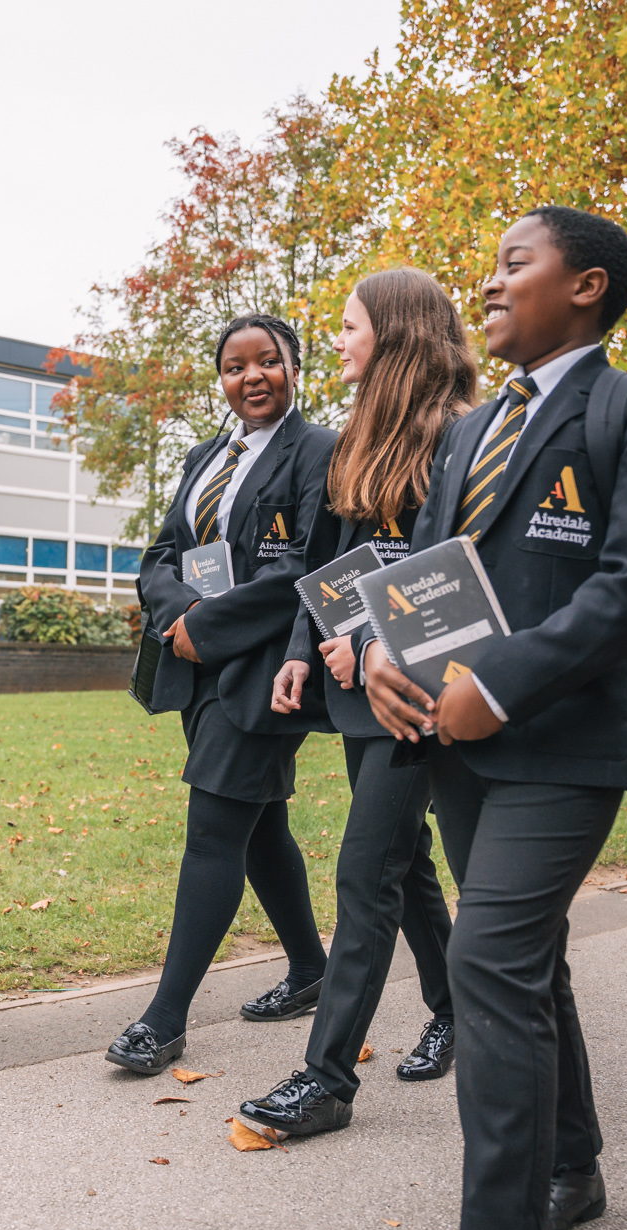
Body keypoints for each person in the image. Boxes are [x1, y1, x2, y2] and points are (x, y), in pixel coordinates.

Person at [358, 207, 627, 1230]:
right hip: (453, 741)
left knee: (486, 962)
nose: (490, 282)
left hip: (563, 742)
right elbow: (426, 572)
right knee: (529, 960)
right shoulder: (469, 427)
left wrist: (495, 681)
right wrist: (379, 654)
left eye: (514, 264)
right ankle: (571, 1166)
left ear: (587, 287)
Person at [239, 267, 475, 1139]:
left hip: (417, 687)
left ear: (397, 331)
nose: (335, 341)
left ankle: (327, 1077)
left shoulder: (459, 438)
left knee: (364, 867)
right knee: (402, 859)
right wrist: (306, 652)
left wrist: (375, 640)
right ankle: (450, 1006)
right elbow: (325, 567)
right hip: (349, 680)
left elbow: (451, 578)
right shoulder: (354, 440)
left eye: (348, 327)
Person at [104, 314, 337, 1077]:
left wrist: (213, 623)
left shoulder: (320, 451)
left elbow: (308, 563)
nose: (253, 376)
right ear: (222, 380)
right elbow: (163, 551)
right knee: (258, 822)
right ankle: (310, 968)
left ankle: (163, 1019)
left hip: (268, 665)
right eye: (236, 367)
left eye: (268, 361)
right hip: (197, 663)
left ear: (294, 366)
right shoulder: (206, 456)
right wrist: (180, 616)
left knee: (213, 826)